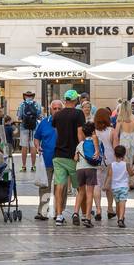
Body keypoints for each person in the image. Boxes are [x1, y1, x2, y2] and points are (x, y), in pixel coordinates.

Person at [50, 90, 86, 226]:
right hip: (73, 155)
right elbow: (79, 134)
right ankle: (81, 213)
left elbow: (57, 131)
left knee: (59, 186)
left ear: (65, 100)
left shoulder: (58, 115)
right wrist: (81, 150)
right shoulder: (78, 114)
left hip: (58, 154)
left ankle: (59, 215)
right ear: (75, 100)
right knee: (80, 187)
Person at [32, 100, 60, 220]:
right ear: (51, 109)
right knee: (45, 187)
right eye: (55, 108)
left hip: (61, 160)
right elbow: (36, 138)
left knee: (60, 187)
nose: (57, 111)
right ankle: (43, 212)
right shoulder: (44, 122)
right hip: (47, 159)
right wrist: (38, 147)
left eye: (59, 108)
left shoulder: (66, 123)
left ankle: (59, 213)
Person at [93, 107, 118, 222]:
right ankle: (110, 209)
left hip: (96, 159)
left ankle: (98, 209)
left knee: (96, 185)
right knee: (109, 186)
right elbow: (116, 148)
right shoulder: (112, 131)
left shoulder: (93, 131)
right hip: (110, 160)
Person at [74, 121, 101, 228]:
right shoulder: (95, 141)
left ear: (84, 133)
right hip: (91, 169)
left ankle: (75, 212)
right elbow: (98, 153)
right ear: (93, 131)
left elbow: (75, 158)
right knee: (89, 193)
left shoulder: (80, 144)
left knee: (81, 192)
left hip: (79, 169)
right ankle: (88, 217)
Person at [17, 91, 43, 172]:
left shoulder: (22, 104)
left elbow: (19, 117)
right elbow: (40, 117)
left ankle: (24, 166)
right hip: (34, 128)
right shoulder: (37, 104)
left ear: (25, 96)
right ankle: (33, 166)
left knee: (24, 147)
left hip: (24, 128)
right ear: (33, 96)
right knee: (33, 147)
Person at [110, 145, 131, 228]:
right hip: (124, 186)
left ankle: (119, 218)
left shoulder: (111, 165)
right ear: (124, 155)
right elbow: (131, 173)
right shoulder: (126, 164)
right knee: (123, 203)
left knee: (117, 204)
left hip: (114, 187)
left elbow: (109, 176)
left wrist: (105, 185)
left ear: (114, 155)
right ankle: (121, 219)